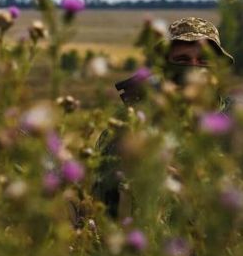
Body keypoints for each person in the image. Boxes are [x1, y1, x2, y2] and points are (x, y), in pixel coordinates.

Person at [95, 17, 234, 218]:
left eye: (204, 60)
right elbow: (101, 195)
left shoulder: (238, 123)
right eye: (182, 61)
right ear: (165, 67)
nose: (194, 68)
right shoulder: (132, 123)